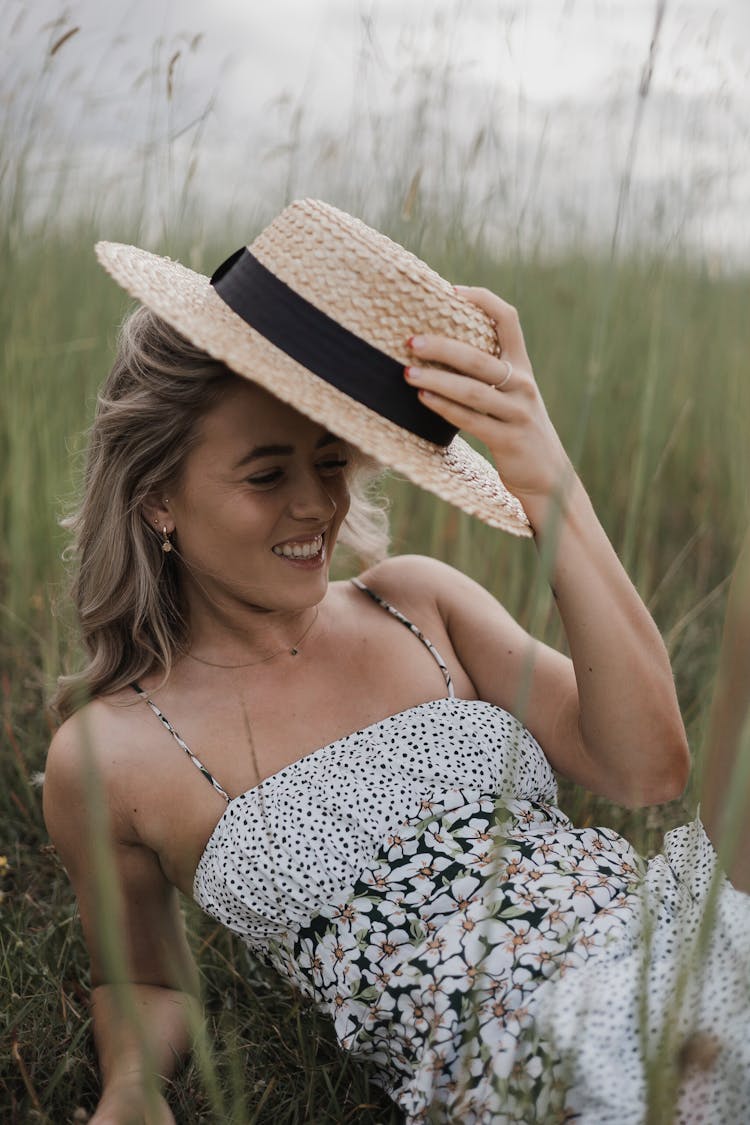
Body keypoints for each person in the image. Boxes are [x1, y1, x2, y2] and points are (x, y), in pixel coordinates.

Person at [43, 199, 749, 1124]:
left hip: (678, 942)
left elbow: (648, 765)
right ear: (157, 497)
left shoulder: (413, 601)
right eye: (267, 474)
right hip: (525, 1055)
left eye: (332, 462)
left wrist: (543, 475)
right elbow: (140, 977)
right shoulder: (113, 751)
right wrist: (134, 1086)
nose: (316, 506)